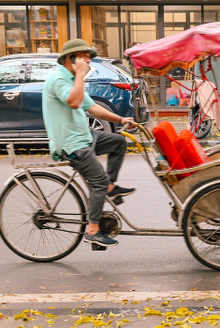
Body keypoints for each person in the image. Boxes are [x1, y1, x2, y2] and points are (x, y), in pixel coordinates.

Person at [42, 39, 135, 249]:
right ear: (70, 58)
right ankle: (93, 230)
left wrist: (120, 120)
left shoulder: (73, 79)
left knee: (118, 142)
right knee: (98, 182)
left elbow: (92, 107)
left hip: (85, 136)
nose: (88, 60)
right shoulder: (58, 79)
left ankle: (109, 186)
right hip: (70, 144)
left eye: (88, 57)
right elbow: (74, 102)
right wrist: (81, 76)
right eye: (84, 56)